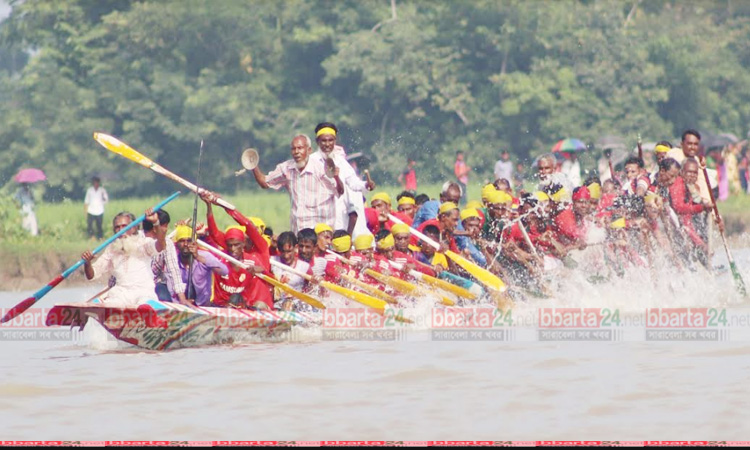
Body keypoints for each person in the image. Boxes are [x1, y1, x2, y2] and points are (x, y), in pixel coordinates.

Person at [251, 134, 343, 233]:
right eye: (293, 149)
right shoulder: (286, 168)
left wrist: (336, 177)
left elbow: (340, 191)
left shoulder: (320, 169)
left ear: (309, 150)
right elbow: (264, 183)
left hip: (319, 232)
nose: (296, 152)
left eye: (300, 148)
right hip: (298, 231)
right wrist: (253, 165)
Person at [82, 211, 166, 306]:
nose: (120, 230)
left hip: (143, 291)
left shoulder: (144, 243)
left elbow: (161, 245)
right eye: (117, 227)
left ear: (134, 228)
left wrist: (156, 223)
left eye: (124, 226)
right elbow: (91, 275)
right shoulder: (111, 249)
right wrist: (87, 262)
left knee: (145, 303)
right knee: (112, 303)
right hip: (121, 293)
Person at [311, 122, 375, 236]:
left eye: (330, 140)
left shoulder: (340, 161)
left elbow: (353, 182)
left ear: (335, 142)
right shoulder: (311, 161)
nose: (327, 144)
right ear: (317, 142)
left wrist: (366, 185)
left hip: (339, 216)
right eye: (323, 141)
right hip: (318, 215)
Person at [142, 209, 190, 305]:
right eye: (164, 226)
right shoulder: (137, 239)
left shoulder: (167, 243)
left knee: (164, 301)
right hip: (136, 283)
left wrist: (182, 298)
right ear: (155, 228)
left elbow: (174, 270)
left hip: (156, 283)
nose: (167, 230)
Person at [173, 225, 229, 307]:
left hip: (203, 305)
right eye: (182, 241)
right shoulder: (173, 261)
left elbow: (224, 271)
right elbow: (170, 289)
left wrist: (198, 257)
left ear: (195, 243)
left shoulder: (205, 256)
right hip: (180, 305)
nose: (185, 244)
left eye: (189, 241)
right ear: (177, 244)